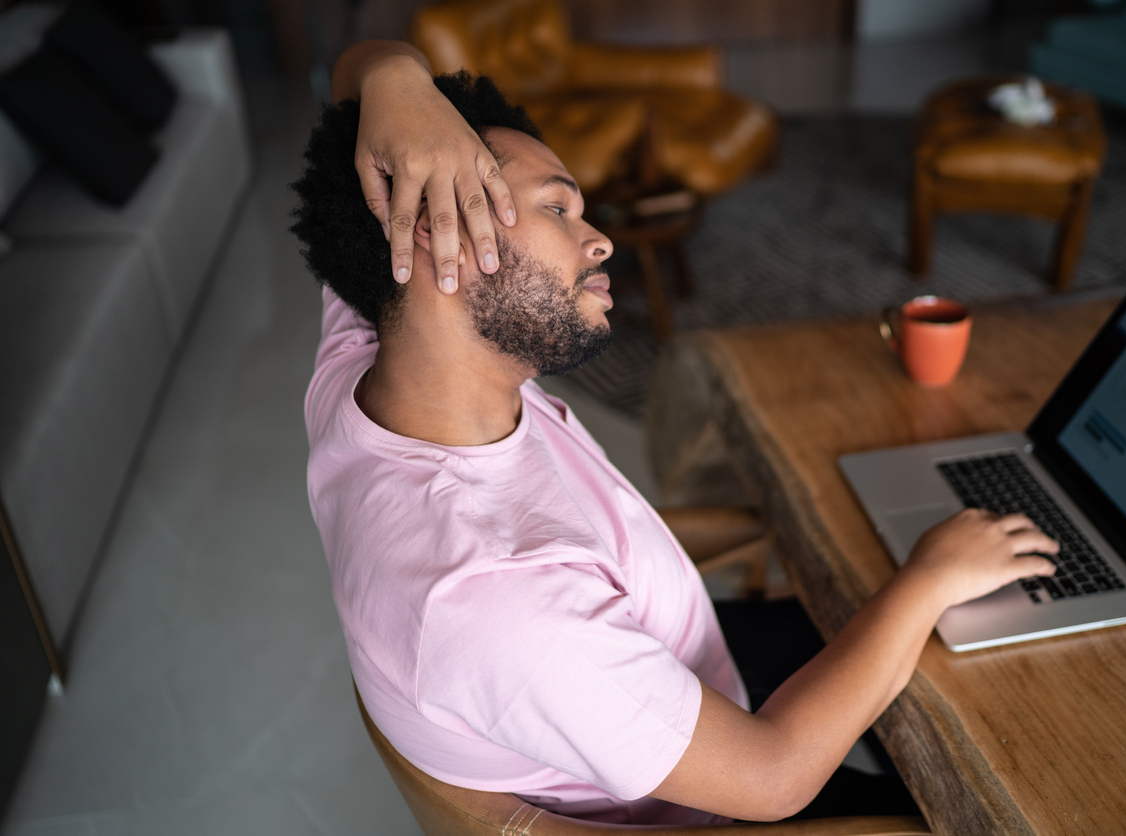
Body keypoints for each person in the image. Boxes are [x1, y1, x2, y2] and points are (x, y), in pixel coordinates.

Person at [296, 44, 1060, 826]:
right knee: (1026, 748)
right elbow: (773, 776)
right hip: (721, 776)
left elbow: (360, 83)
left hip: (669, 664)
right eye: (559, 208)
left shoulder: (369, 354)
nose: (601, 242)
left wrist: (393, 76)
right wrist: (929, 578)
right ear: (432, 231)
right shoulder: (500, 604)